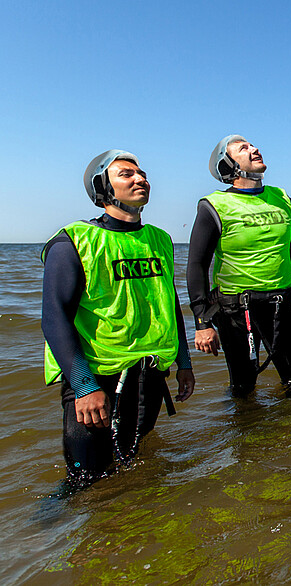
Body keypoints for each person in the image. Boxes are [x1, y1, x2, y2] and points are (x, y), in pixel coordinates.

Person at [41, 150, 195, 486]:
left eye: (142, 173)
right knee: (86, 485)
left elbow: (169, 306)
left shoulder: (160, 240)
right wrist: (84, 386)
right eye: (126, 174)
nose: (140, 179)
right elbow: (54, 319)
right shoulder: (72, 241)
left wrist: (184, 364)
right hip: (96, 381)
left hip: (150, 377)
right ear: (102, 186)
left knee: (135, 469)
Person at [187, 135, 291, 396]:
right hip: (237, 311)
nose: (255, 149)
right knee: (243, 388)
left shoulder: (282, 198)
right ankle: (244, 433)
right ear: (227, 165)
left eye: (252, 145)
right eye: (243, 148)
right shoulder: (213, 205)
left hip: (281, 305)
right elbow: (196, 265)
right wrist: (202, 322)